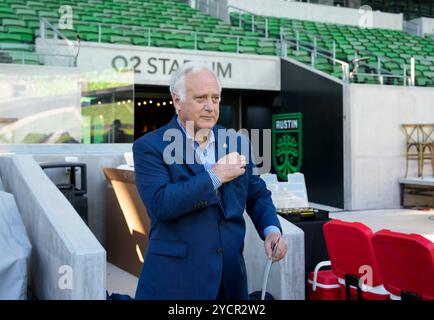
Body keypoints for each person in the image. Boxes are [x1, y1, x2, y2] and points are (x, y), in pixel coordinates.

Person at [133, 61, 287, 300]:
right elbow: (161, 204)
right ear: (177, 100)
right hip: (176, 282)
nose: (210, 107)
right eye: (200, 98)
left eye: (215, 98)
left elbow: (256, 194)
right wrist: (215, 176)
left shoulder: (238, 142)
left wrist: (271, 230)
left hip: (230, 280)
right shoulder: (149, 147)